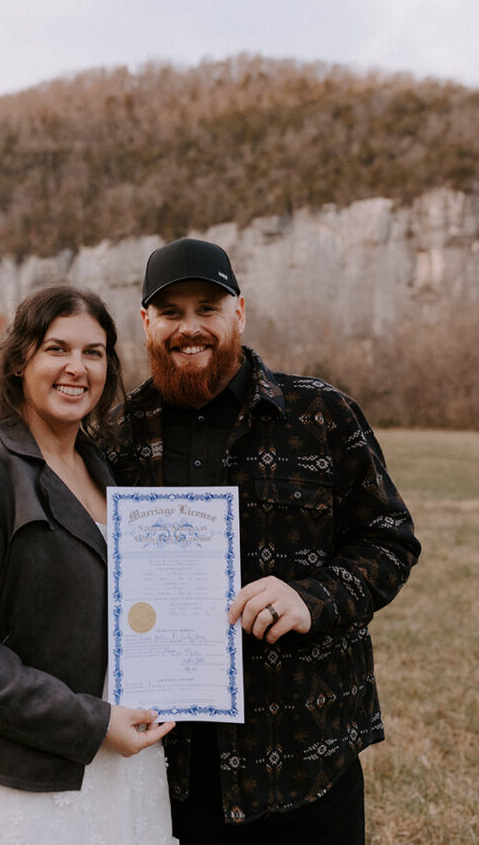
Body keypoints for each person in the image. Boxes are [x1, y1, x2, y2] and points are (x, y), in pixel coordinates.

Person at [104, 238, 421, 845]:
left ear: (239, 313)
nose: (189, 328)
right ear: (146, 323)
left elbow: (390, 539)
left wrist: (315, 596)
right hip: (170, 765)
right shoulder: (114, 433)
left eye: (208, 308)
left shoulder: (320, 414)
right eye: (170, 312)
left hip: (307, 757)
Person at [0, 285, 177, 845]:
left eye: (94, 352)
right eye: (57, 348)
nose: (76, 368)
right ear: (18, 362)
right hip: (21, 779)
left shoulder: (106, 472)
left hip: (124, 767)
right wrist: (92, 723)